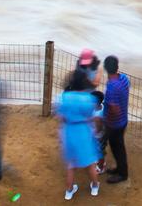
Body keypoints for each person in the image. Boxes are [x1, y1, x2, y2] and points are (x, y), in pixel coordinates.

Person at [57, 70, 100, 201]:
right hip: (84, 131)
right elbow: (91, 117)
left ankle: (69, 191)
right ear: (84, 82)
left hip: (69, 131)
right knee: (90, 163)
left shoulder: (65, 97)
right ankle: (94, 186)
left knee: (71, 165)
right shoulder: (89, 98)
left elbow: (61, 117)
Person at [102, 55, 130, 184]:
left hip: (115, 124)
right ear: (117, 67)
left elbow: (114, 109)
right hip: (123, 119)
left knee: (117, 148)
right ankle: (119, 169)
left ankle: (122, 174)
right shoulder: (124, 79)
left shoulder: (112, 88)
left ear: (106, 69)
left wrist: (107, 121)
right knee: (118, 147)